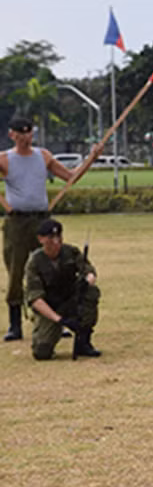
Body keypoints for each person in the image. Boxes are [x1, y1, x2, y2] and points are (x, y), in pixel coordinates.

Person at [0, 116, 78, 341]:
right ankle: (15, 324)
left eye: (29, 133)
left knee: (50, 269)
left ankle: (55, 319)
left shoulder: (42, 156)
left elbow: (70, 177)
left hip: (42, 220)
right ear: (12, 134)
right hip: (18, 223)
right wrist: (7, 206)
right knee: (17, 271)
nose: (26, 138)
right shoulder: (6, 159)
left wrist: (93, 158)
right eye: (21, 133)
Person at [23, 218, 101, 360]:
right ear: (41, 239)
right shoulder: (34, 262)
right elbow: (35, 299)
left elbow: (89, 270)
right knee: (42, 352)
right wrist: (60, 320)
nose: (56, 241)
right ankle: (50, 332)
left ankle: (83, 340)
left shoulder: (71, 252)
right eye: (51, 238)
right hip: (49, 307)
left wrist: (88, 280)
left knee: (90, 293)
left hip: (70, 300)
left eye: (59, 236)